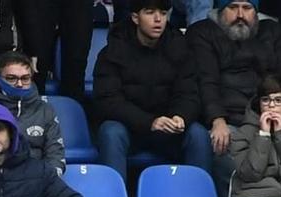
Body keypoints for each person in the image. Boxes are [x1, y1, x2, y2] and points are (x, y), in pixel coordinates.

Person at [192, 0, 281, 197]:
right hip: (229, 120)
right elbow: (206, 81)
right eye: (233, 8)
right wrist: (217, 119)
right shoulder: (203, 33)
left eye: (247, 8)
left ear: (256, 12)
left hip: (272, 117)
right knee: (226, 150)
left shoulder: (273, 32)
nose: (240, 15)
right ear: (219, 11)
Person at [91, 0, 212, 175]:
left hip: (168, 128)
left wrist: (181, 116)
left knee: (198, 134)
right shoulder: (114, 50)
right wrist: (150, 122)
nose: (158, 19)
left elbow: (189, 94)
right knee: (111, 132)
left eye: (163, 13)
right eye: (149, 12)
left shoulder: (180, 46)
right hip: (130, 128)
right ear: (135, 17)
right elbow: (107, 101)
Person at [0, 54, 69, 178]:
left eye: (25, 78)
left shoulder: (44, 109)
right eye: (12, 78)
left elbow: (55, 155)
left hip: (33, 182)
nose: (20, 84)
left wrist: (44, 182)